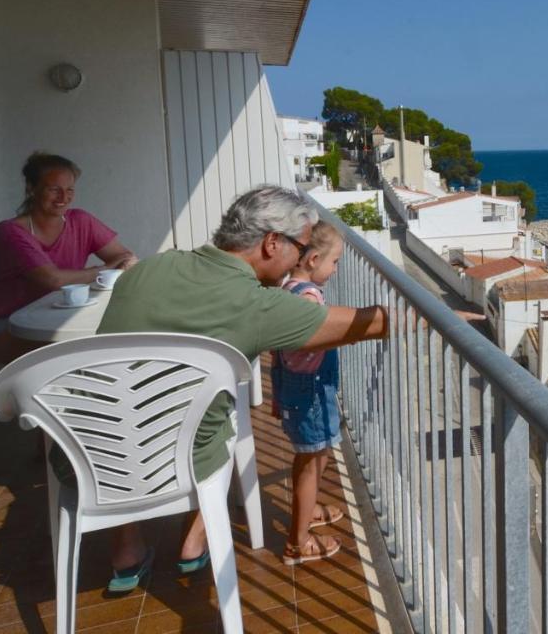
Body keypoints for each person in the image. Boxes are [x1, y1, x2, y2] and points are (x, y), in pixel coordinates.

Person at [94, 186, 391, 592]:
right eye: (300, 247)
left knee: (137, 403)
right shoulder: (256, 306)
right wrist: (441, 320)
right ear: (272, 243)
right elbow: (364, 323)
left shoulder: (148, 268)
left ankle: (126, 549)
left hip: (93, 453)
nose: (299, 260)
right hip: (174, 461)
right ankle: (193, 540)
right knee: (225, 420)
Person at [0, 152, 136, 364]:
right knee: (70, 354)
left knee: (105, 340)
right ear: (31, 189)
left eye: (69, 190)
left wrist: (122, 264)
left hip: (48, 320)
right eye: (54, 189)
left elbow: (126, 257)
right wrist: (104, 269)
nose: (63, 198)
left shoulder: (80, 221)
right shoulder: (9, 232)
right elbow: (53, 280)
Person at [271, 221, 347, 564]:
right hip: (310, 393)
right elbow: (316, 338)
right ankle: (297, 542)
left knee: (315, 454)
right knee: (310, 461)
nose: (335, 270)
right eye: (334, 262)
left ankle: (310, 508)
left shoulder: (289, 288)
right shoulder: (308, 298)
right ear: (314, 259)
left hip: (298, 388)